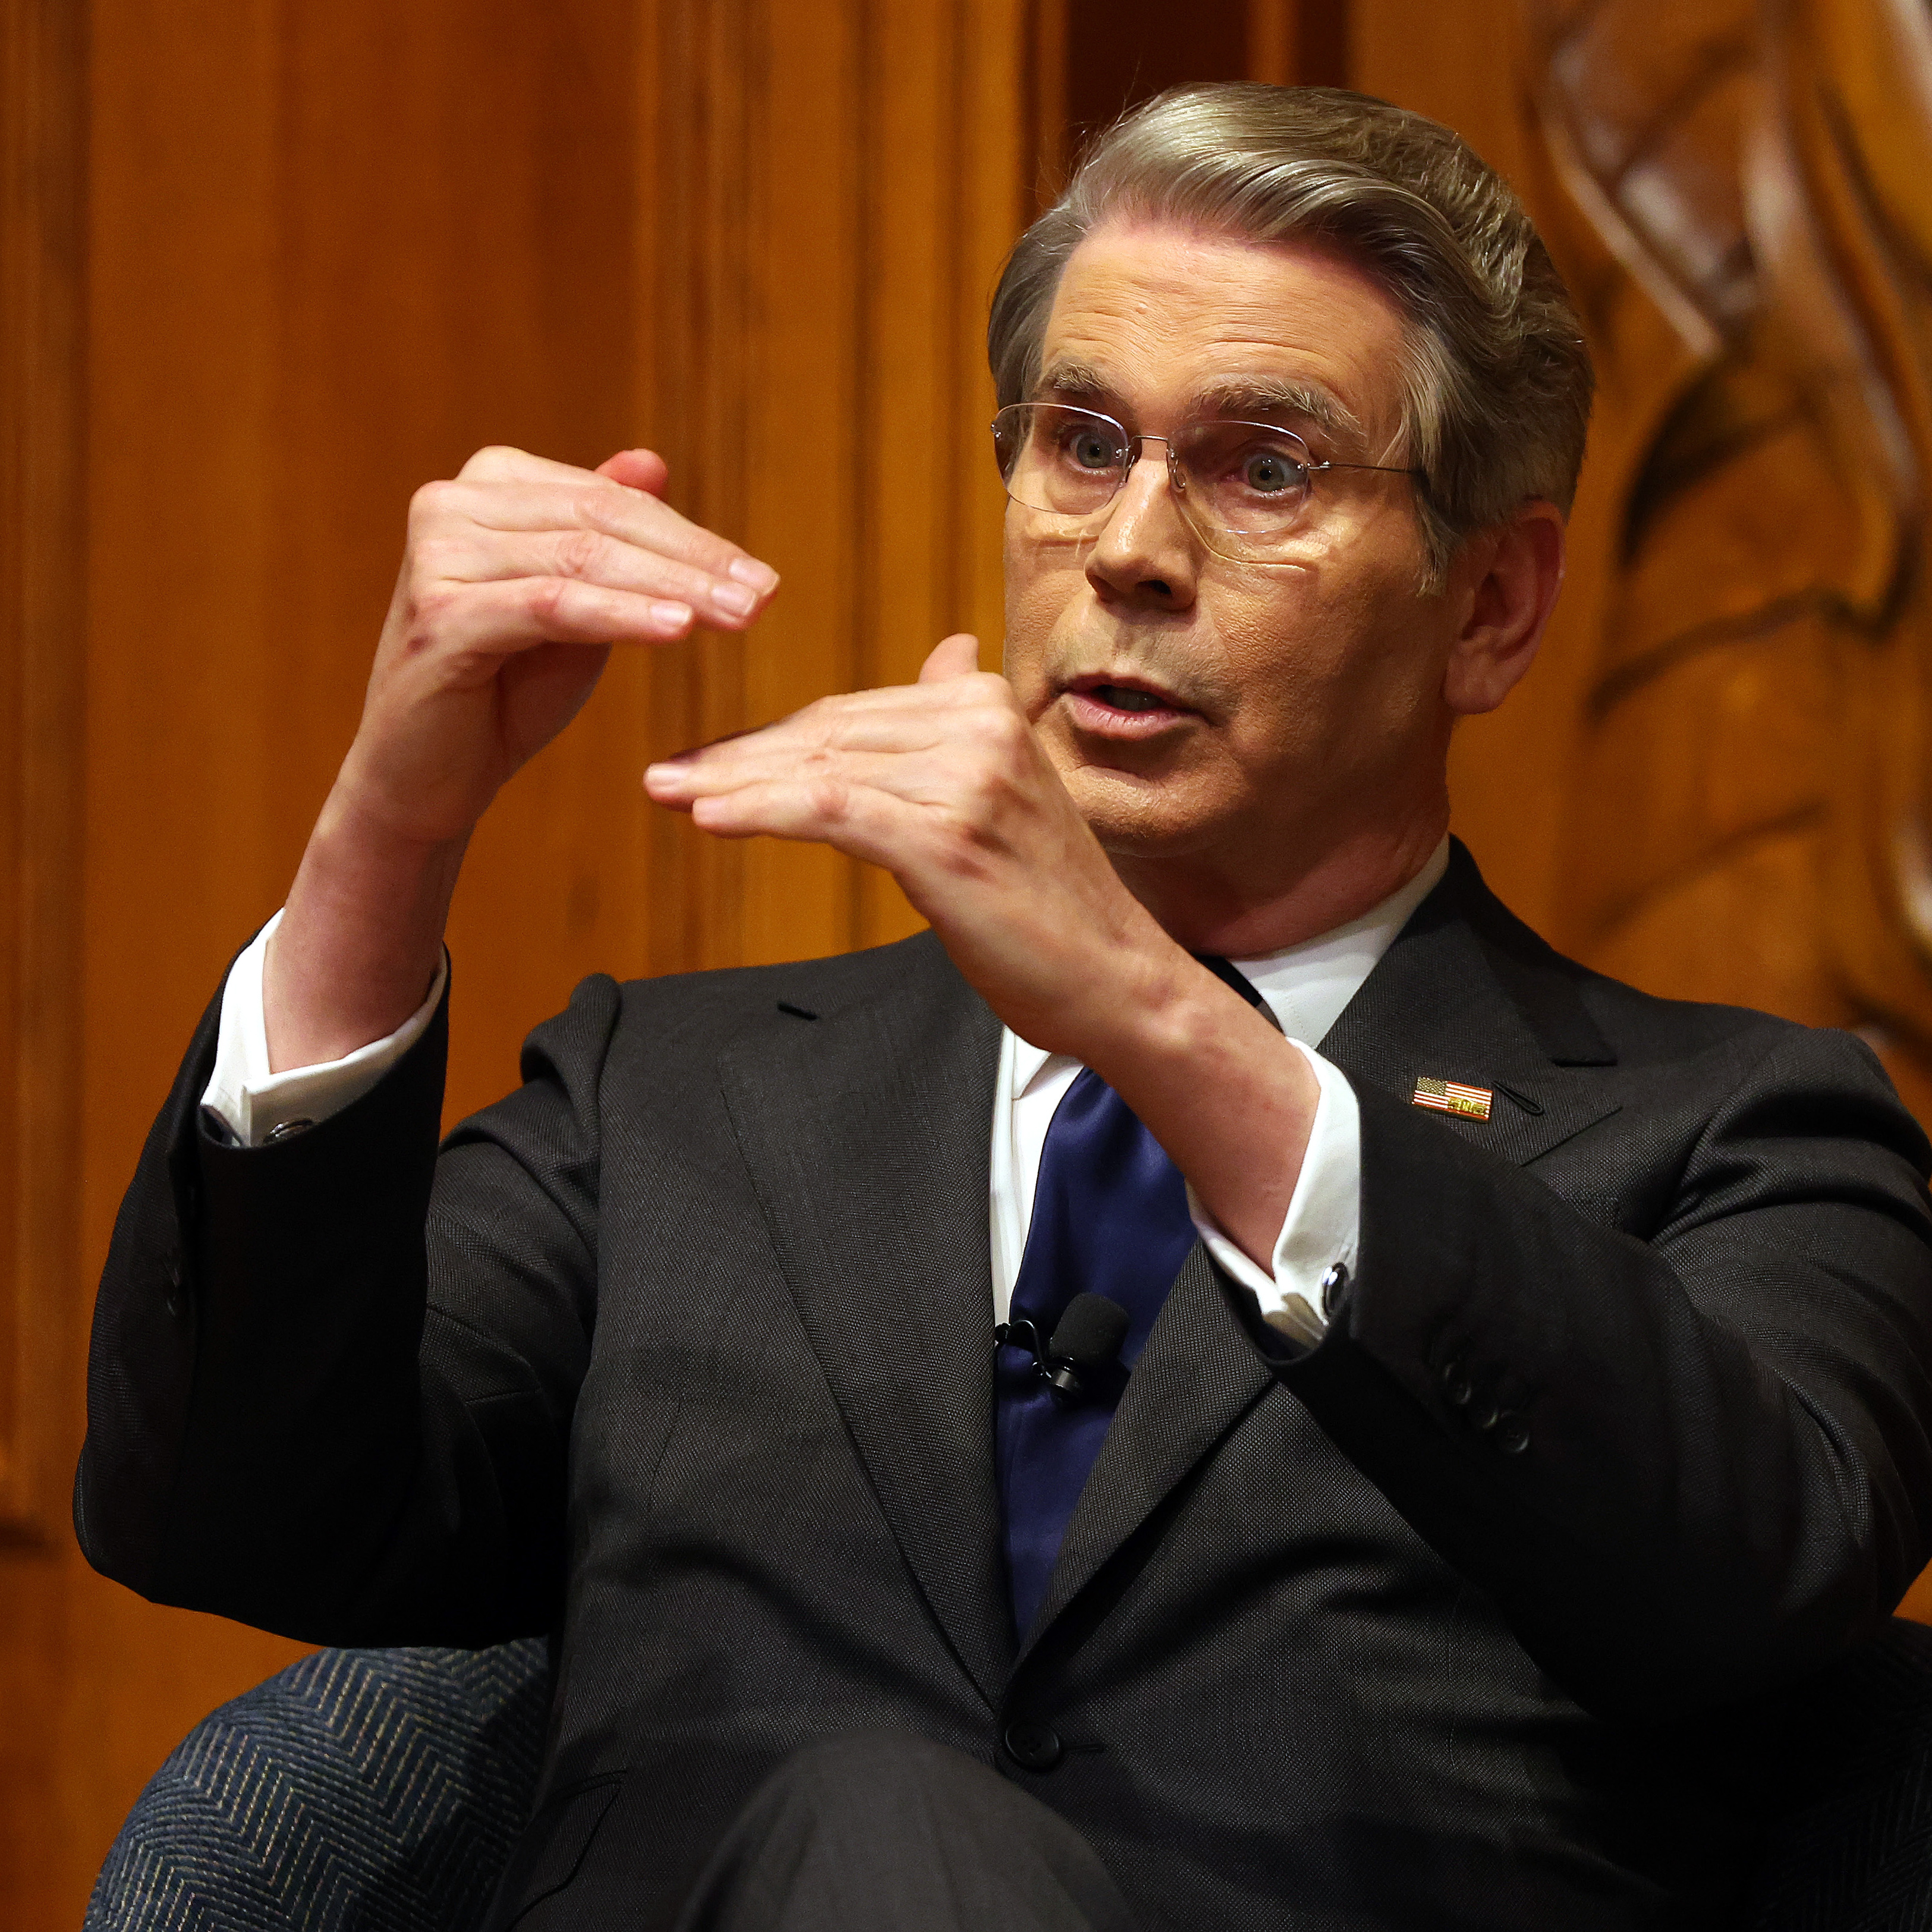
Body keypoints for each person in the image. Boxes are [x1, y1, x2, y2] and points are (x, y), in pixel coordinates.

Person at [77, 83, 1932, 1932]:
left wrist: (1149, 1015)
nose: (1128, 547)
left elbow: (1748, 1576)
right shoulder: (675, 1100)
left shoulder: (1740, 1133)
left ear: (1492, 607)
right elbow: (230, 1510)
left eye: (1262, 465)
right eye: (1080, 442)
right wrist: (388, 830)